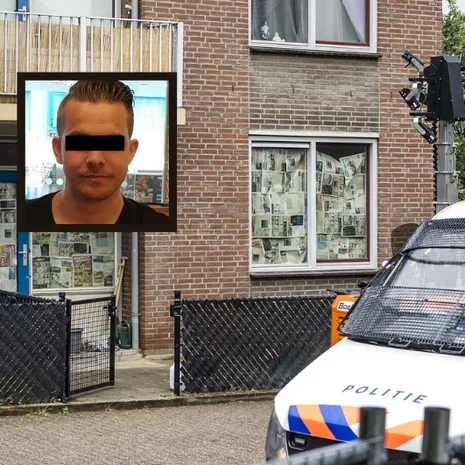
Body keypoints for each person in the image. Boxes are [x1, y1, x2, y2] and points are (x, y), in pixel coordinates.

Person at [24, 80, 167, 225]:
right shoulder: (21, 217)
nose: (95, 159)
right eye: (80, 142)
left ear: (131, 151)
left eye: (111, 143)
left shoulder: (158, 224)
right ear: (58, 150)